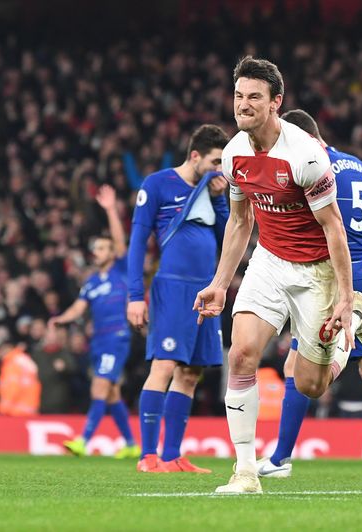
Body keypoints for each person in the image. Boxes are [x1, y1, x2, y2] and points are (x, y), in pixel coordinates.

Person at [194, 57, 362, 495]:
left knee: (311, 385)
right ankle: (244, 473)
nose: (244, 105)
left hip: (317, 272)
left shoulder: (306, 156)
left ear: (276, 102)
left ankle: (356, 320)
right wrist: (221, 283)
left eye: (255, 97)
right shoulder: (235, 153)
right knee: (240, 355)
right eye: (239, 96)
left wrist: (342, 297)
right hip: (270, 262)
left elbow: (334, 228)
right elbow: (240, 222)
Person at [253, 109, 362, 482]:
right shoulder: (359, 166)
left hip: (333, 278)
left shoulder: (312, 164)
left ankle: (279, 459)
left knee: (294, 367)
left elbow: (315, 226)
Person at [127, 125, 231, 473]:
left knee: (191, 373)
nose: (221, 169)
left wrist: (219, 199)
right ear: (196, 156)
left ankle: (172, 456)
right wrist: (134, 296)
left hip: (207, 287)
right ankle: (147, 456)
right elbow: (138, 242)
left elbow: (227, 237)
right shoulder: (157, 184)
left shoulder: (214, 190)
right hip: (172, 287)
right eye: (216, 161)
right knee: (164, 365)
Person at [48, 185, 138, 458]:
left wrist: (111, 209)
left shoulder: (121, 270)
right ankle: (132, 445)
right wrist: (61, 319)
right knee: (111, 393)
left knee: (99, 385)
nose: (96, 252)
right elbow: (78, 307)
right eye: (95, 248)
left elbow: (121, 242)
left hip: (116, 336)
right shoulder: (91, 283)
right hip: (98, 340)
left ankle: (83, 440)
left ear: (111, 253)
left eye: (101, 248)